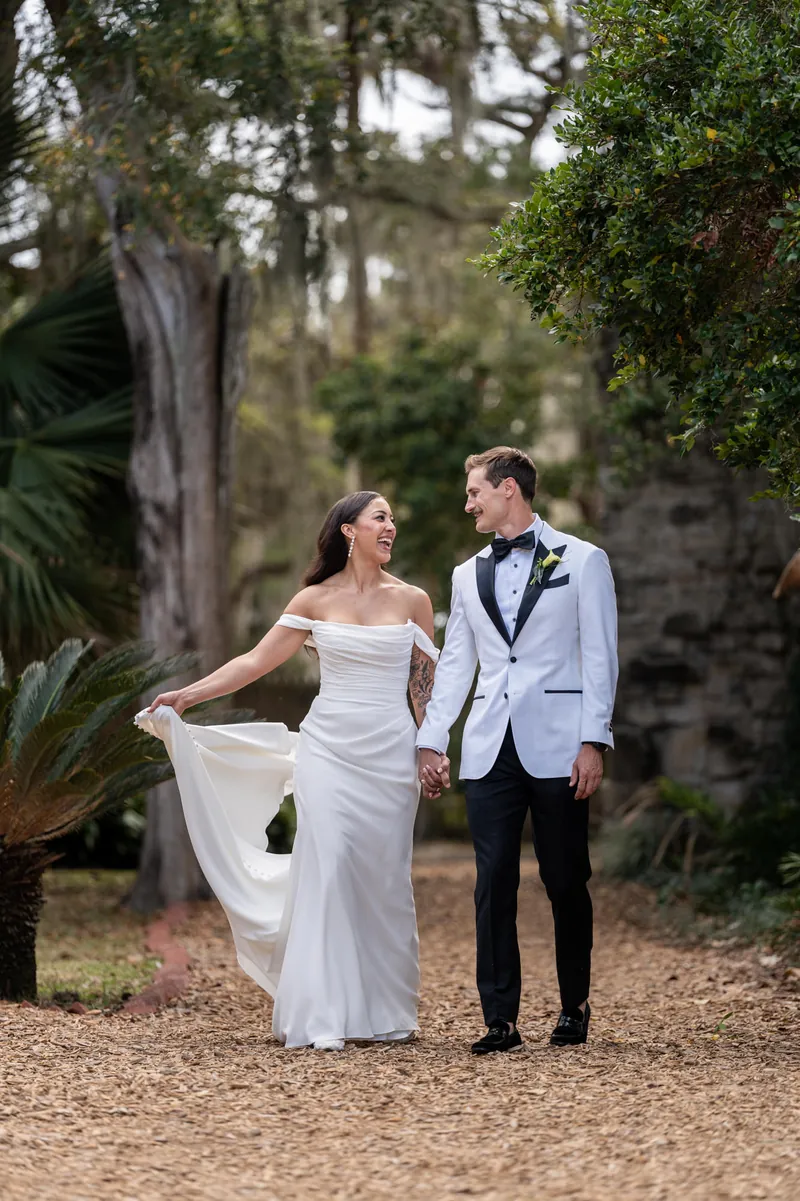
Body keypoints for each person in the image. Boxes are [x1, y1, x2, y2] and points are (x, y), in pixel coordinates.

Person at [137, 491, 438, 1051]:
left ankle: (384, 1011)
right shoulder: (315, 600)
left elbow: (426, 687)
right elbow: (255, 660)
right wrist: (188, 696)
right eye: (381, 517)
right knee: (328, 866)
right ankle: (320, 1012)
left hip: (390, 752)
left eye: (394, 518)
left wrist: (432, 749)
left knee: (383, 877)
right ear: (349, 530)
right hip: (328, 750)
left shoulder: (414, 601)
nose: (391, 526)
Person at [417, 447, 618, 1054]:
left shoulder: (583, 561)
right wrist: (432, 740)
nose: (468, 502)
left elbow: (601, 657)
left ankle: (574, 1007)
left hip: (560, 745)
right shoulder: (465, 573)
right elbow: (456, 666)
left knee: (564, 879)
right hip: (488, 747)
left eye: (475, 491)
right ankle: (500, 1020)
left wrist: (593, 740)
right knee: (492, 881)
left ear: (508, 488)